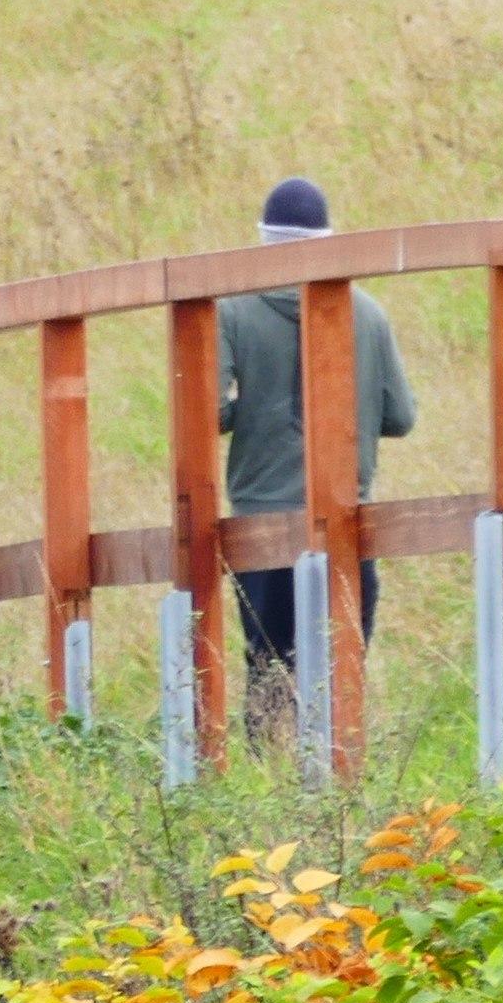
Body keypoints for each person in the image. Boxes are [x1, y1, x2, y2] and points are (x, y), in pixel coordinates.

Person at [216, 176, 414, 724]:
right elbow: (401, 416)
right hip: (350, 516)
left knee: (269, 674)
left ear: (262, 239)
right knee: (340, 675)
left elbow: (209, 410)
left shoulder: (232, 310)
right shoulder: (367, 313)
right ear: (328, 239)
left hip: (262, 522)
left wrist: (251, 410)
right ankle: (343, 792)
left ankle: (270, 787)